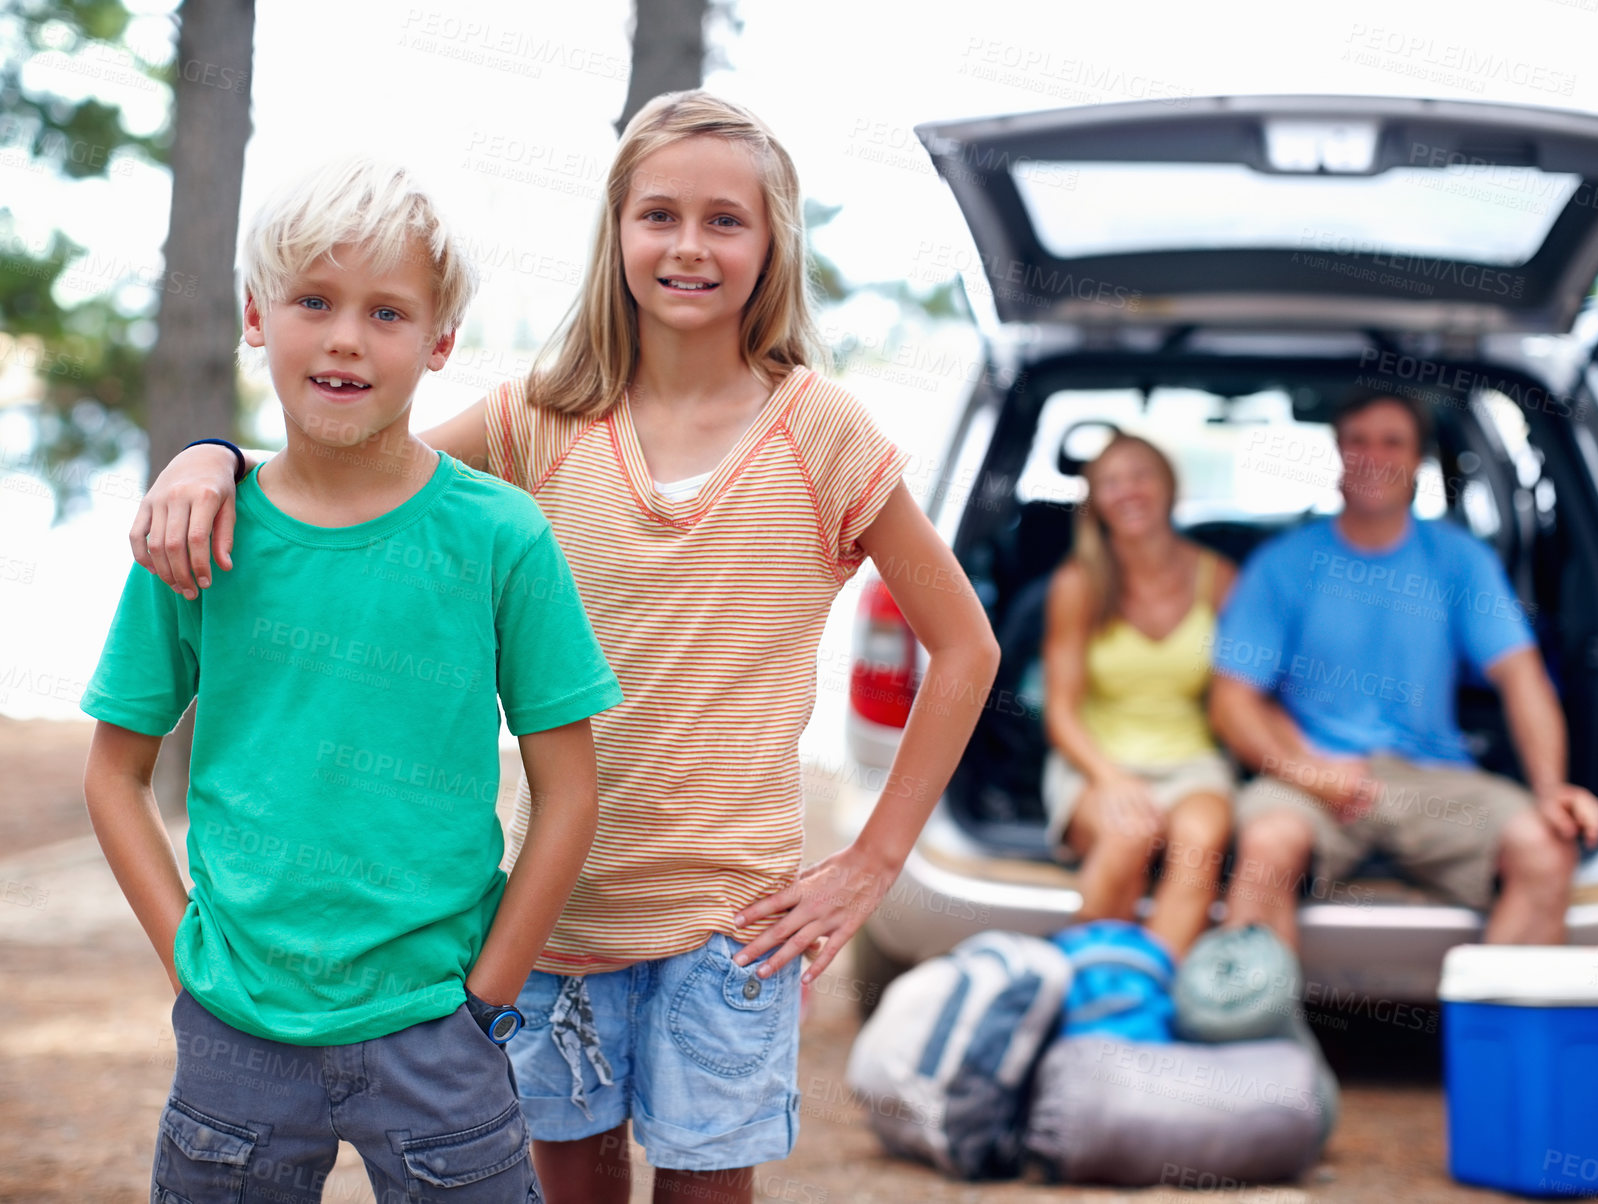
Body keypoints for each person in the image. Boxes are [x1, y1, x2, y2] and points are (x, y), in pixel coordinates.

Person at [126, 93, 999, 1204]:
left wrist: (871, 864)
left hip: (731, 927)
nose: (689, 245)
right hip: (552, 920)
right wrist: (209, 455)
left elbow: (964, 649)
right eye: (659, 215)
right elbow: (343, 483)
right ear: (617, 231)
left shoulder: (822, 432)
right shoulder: (540, 415)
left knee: (703, 1194)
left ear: (772, 242)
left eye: (725, 220)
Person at [83, 159, 622, 1202]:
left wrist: (488, 995)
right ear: (255, 314)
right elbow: (114, 776)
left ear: (440, 341)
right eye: (314, 301)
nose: (344, 338)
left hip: (439, 1036)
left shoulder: (501, 536)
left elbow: (570, 791)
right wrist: (188, 964)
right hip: (233, 1038)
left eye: (386, 312)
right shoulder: (200, 531)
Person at [1210, 388, 1598, 950]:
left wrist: (1550, 788)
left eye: (1392, 442)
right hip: (1313, 776)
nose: (1374, 456)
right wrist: (1309, 773)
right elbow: (1232, 701)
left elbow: (1522, 679)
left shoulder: (1461, 560)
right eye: (1358, 441)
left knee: (1545, 846)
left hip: (1433, 779)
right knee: (1268, 842)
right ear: (1338, 452)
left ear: (1418, 458)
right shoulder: (1284, 563)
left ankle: (1498, 1034)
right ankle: (1254, 1027)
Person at [1041, 434, 1237, 957]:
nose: (1128, 491)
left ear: (1170, 487)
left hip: (1191, 762)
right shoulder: (1078, 583)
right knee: (1129, 834)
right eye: (1110, 482)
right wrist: (1113, 779)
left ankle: (1145, 998)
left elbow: (1241, 697)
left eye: (1140, 476)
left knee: (1200, 846)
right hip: (1095, 762)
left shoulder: (1217, 578)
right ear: (1096, 503)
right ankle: (1086, 992)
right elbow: (1060, 711)